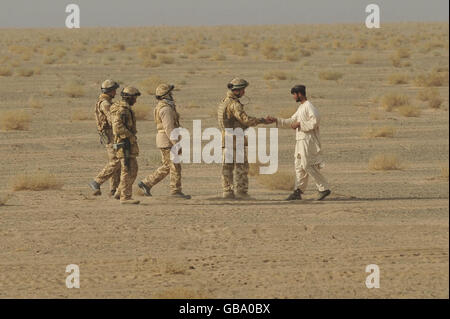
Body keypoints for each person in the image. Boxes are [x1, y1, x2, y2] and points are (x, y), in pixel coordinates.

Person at [267, 85, 331, 201]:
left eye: (294, 95)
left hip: (308, 140)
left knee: (307, 164)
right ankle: (298, 191)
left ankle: (324, 188)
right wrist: (276, 120)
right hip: (300, 141)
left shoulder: (309, 106)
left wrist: (300, 124)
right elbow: (291, 121)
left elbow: (315, 121)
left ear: (299, 94)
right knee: (299, 165)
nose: (293, 97)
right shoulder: (301, 108)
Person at [218, 78, 273, 199]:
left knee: (227, 166)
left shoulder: (224, 102)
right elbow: (246, 120)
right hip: (235, 139)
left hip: (225, 138)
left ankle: (227, 191)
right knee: (241, 166)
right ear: (237, 90)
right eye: (243, 90)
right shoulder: (234, 104)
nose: (244, 92)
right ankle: (241, 192)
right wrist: (262, 120)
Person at [137, 84, 191, 199]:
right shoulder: (166, 109)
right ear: (166, 95)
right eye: (170, 93)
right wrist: (176, 143)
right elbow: (169, 128)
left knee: (168, 166)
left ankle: (146, 183)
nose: (172, 95)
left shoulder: (163, 106)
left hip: (165, 140)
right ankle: (175, 191)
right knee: (174, 166)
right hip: (168, 141)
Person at [89, 79, 121, 196]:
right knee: (116, 161)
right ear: (110, 91)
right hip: (110, 134)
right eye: (114, 91)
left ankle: (114, 189)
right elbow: (112, 120)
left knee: (116, 162)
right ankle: (97, 181)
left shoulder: (102, 101)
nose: (115, 93)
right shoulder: (106, 104)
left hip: (108, 134)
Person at [110, 86, 141, 205]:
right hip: (124, 143)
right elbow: (117, 128)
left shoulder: (120, 107)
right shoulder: (122, 110)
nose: (135, 100)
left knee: (132, 169)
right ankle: (125, 197)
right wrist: (130, 136)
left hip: (125, 143)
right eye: (134, 98)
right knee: (128, 169)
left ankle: (120, 192)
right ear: (129, 97)